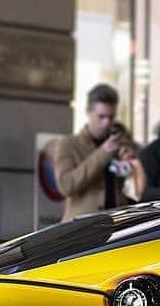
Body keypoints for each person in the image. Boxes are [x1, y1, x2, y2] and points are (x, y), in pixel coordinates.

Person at [55, 83, 144, 222]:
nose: (106, 123)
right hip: (81, 227)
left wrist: (130, 159)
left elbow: (136, 189)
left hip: (119, 224)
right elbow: (66, 186)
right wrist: (103, 153)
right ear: (88, 113)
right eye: (101, 116)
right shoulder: (69, 144)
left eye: (111, 117)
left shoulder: (121, 141)